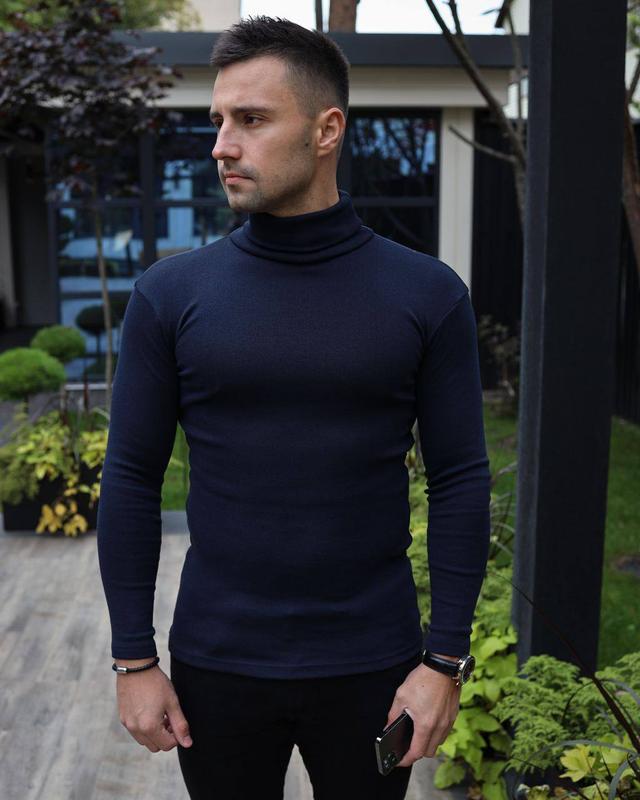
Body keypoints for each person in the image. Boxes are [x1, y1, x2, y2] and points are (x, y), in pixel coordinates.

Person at [97, 14, 491, 800]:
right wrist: (134, 659)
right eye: (218, 120)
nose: (221, 145)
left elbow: (459, 479)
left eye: (250, 119)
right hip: (218, 662)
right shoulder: (170, 296)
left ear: (326, 130)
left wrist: (443, 661)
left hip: (374, 664)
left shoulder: (427, 295)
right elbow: (132, 478)